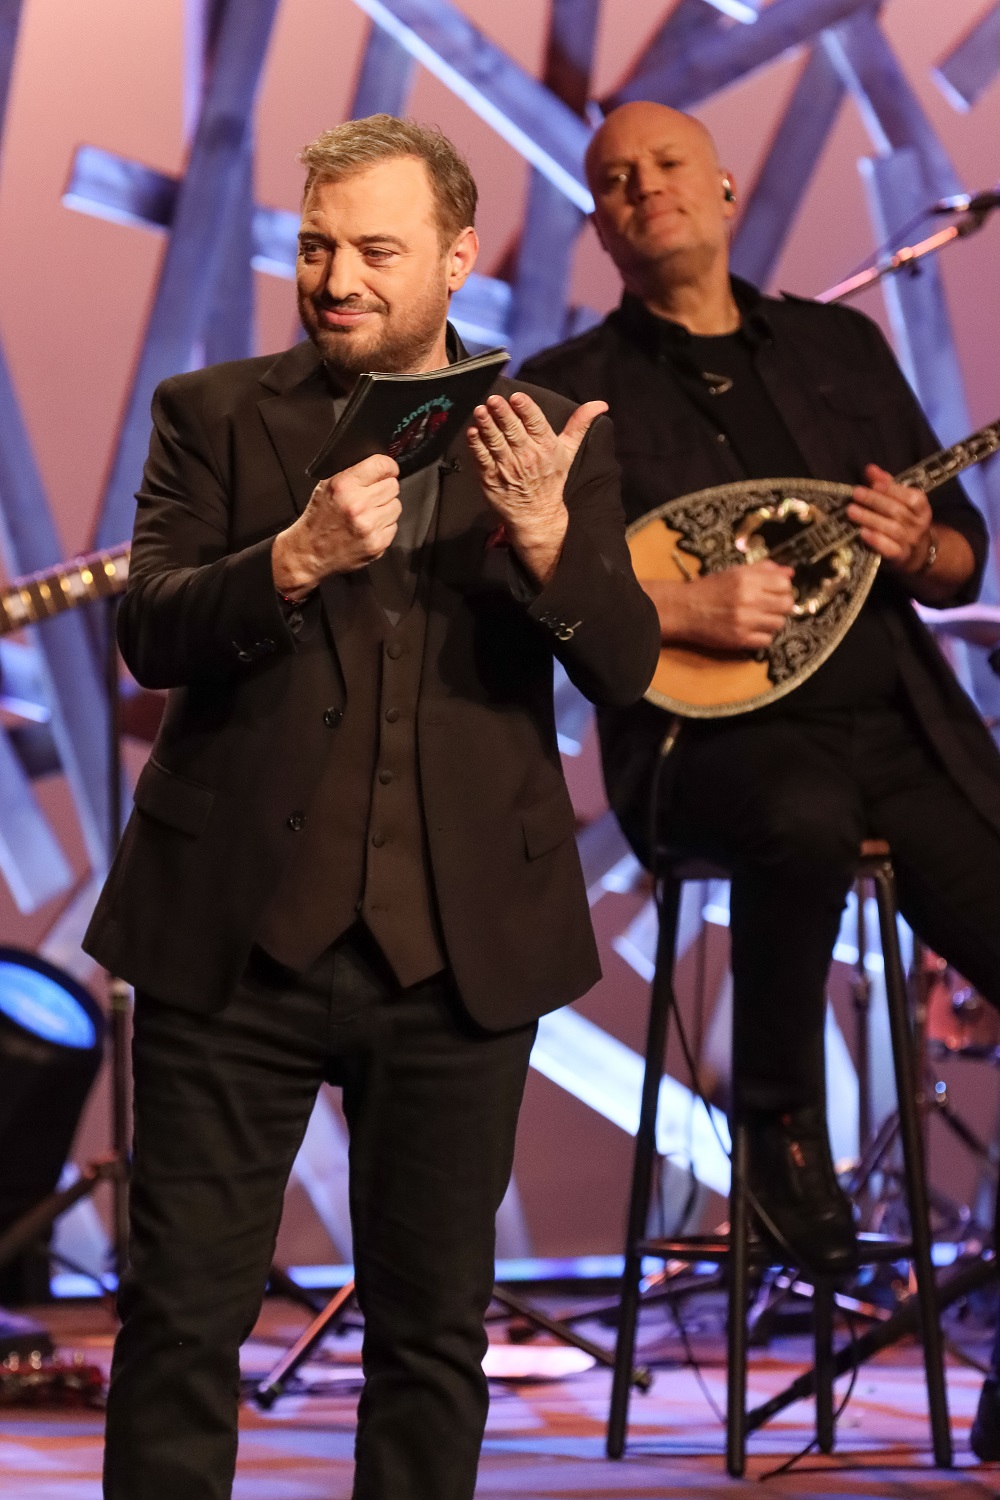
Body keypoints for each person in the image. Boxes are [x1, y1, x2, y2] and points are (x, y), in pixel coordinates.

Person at [84, 114, 659, 1500]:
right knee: (180, 1323)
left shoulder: (549, 437)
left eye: (376, 252)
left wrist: (546, 540)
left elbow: (627, 666)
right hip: (233, 944)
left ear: (458, 259)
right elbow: (150, 632)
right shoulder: (211, 413)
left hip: (458, 955)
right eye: (315, 246)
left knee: (432, 1339)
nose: (336, 278)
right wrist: (288, 559)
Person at [522, 101, 1000, 1300]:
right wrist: (677, 609)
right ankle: (778, 1133)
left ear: (725, 188)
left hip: (899, 727)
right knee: (801, 812)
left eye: (667, 163)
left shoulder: (840, 349)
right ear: (599, 227)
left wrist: (920, 546)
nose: (645, 186)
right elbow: (542, 592)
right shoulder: (568, 393)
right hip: (700, 747)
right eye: (616, 179)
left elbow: (960, 552)